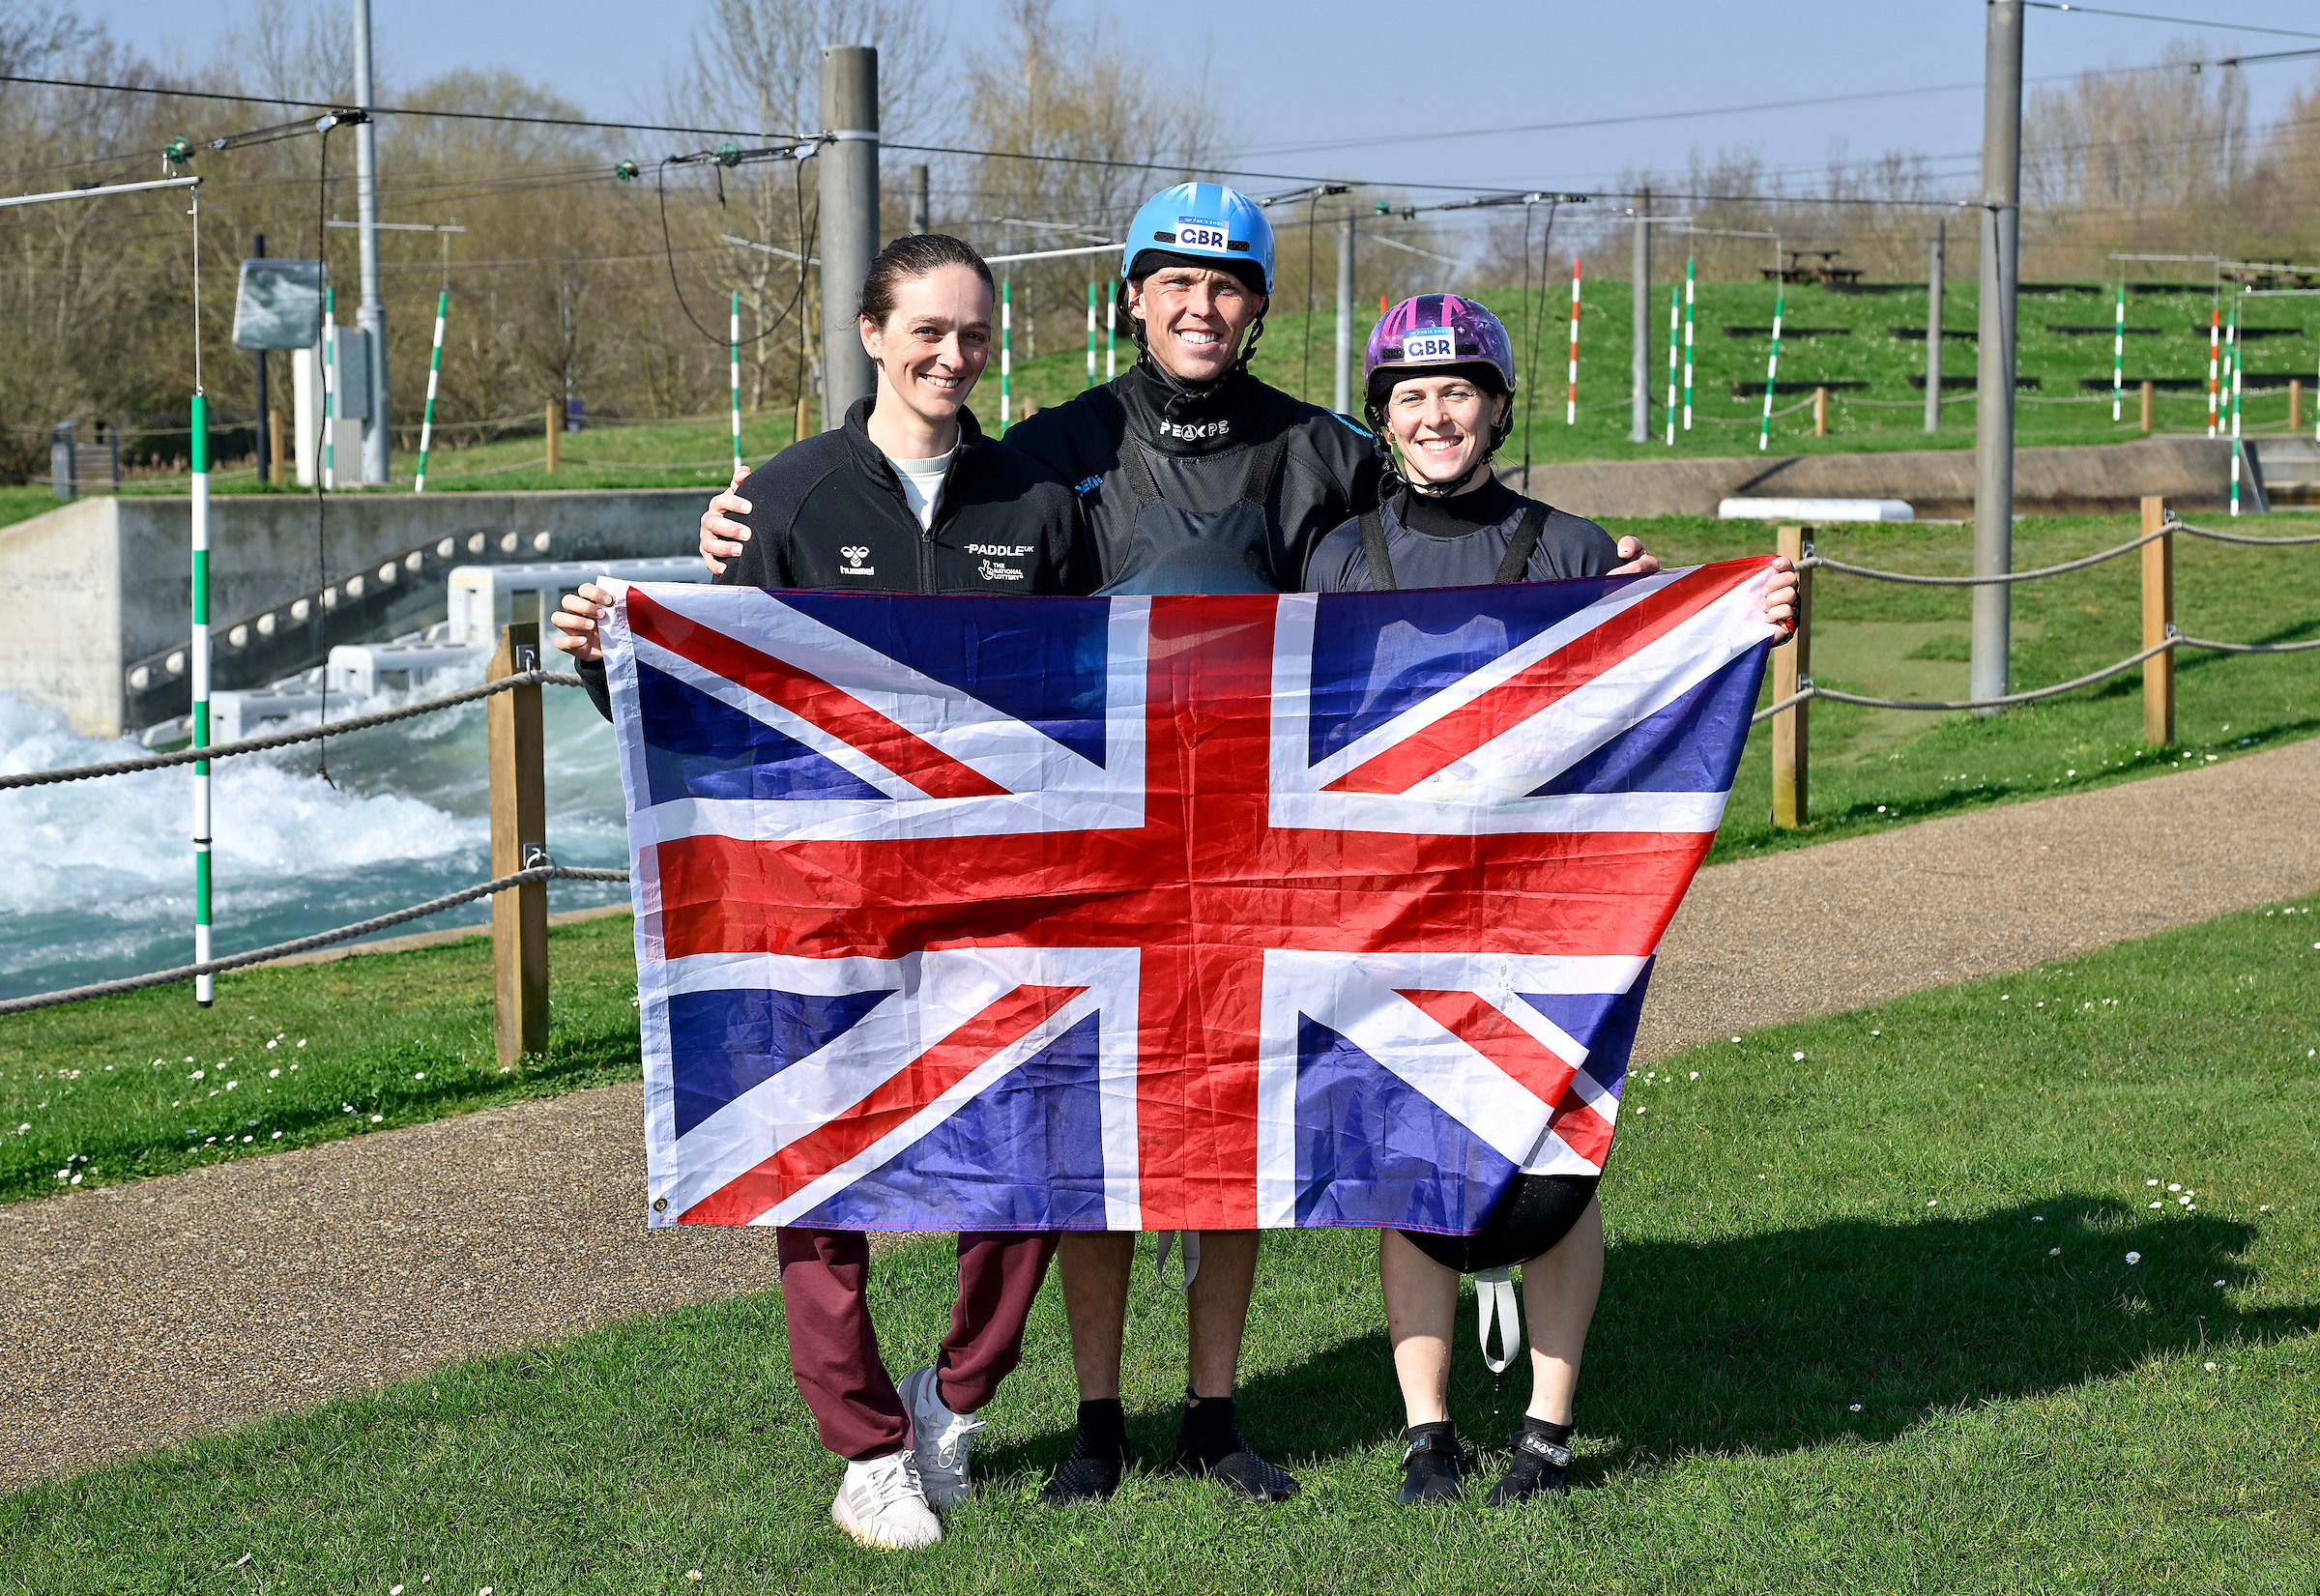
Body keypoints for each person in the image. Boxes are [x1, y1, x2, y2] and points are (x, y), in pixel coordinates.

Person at [703, 189, 1666, 1507]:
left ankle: (1213, 1409)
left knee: (1224, 1129)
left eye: (1228, 287)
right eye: (1175, 282)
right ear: (1136, 297)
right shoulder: (1046, 456)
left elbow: (1452, 520)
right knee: (1087, 1140)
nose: (1201, 306)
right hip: (1088, 847)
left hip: (1250, 854)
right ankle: (1095, 1416)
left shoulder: (1333, 448)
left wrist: (1594, 596)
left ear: (1257, 306)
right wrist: (727, 549)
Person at [553, 233, 1084, 1552]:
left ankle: (954, 1398)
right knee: (821, 1164)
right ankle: (863, 1449)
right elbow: (725, 703)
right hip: (826, 898)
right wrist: (605, 660)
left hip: (993, 895)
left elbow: (1095, 702)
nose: (953, 355)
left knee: (1031, 1157)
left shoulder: (1040, 505)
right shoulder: (786, 497)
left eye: (974, 334)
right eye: (929, 330)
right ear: (869, 332)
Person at [1309, 294, 1799, 1506]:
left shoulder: (1577, 549)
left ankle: (1546, 1428)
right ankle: (1426, 1429)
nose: (1437, 416)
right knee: (1403, 1164)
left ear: (1498, 408)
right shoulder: (1332, 554)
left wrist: (1743, 618)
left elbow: (1648, 692)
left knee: (1560, 1157)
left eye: (1459, 392)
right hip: (1393, 906)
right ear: (1383, 418)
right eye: (1412, 397)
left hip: (1549, 910)